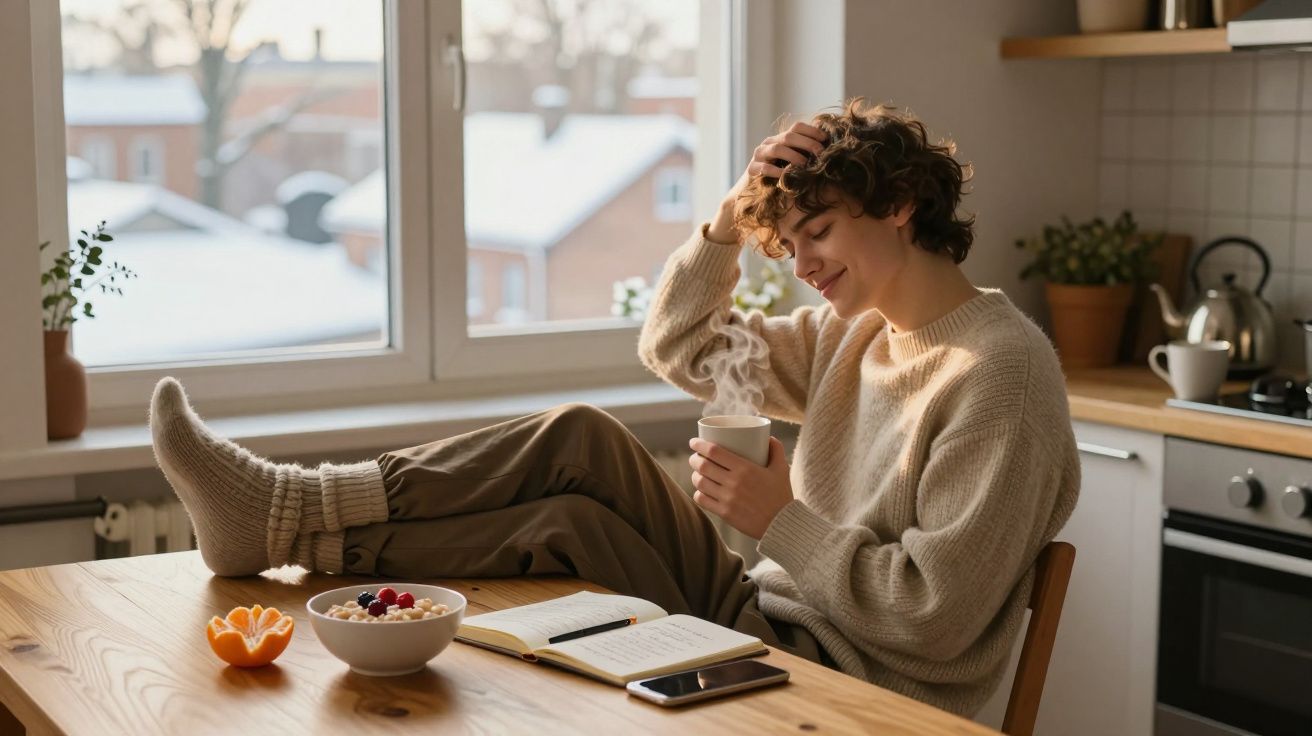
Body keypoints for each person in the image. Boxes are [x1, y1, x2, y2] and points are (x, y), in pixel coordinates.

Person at [150, 98, 1078, 717]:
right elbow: (679, 344)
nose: (801, 264)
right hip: (766, 624)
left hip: (851, 689)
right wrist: (723, 223)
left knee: (579, 473)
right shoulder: (853, 336)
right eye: (787, 243)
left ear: (904, 205)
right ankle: (287, 525)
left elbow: (934, 619)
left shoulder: (999, 377)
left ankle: (285, 513)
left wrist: (778, 519)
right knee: (573, 484)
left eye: (819, 232)